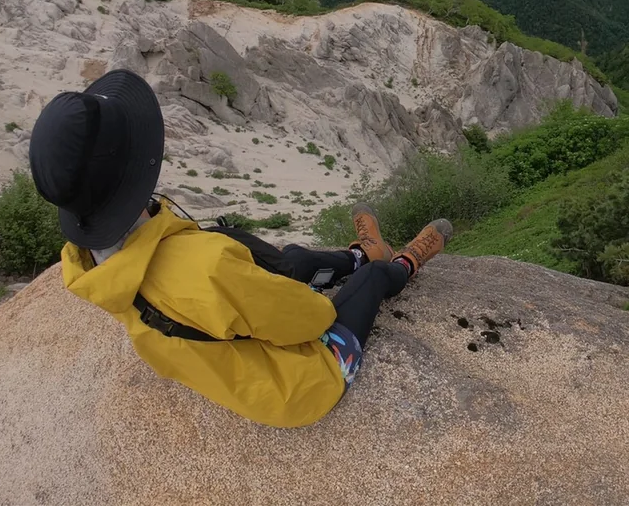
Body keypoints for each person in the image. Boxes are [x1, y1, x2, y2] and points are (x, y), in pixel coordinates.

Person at [28, 68, 451, 428]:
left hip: (222, 346)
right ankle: (399, 263)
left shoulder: (92, 268)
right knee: (370, 280)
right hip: (300, 383)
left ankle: (360, 252)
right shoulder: (206, 267)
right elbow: (312, 319)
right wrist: (285, 293)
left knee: (288, 258)